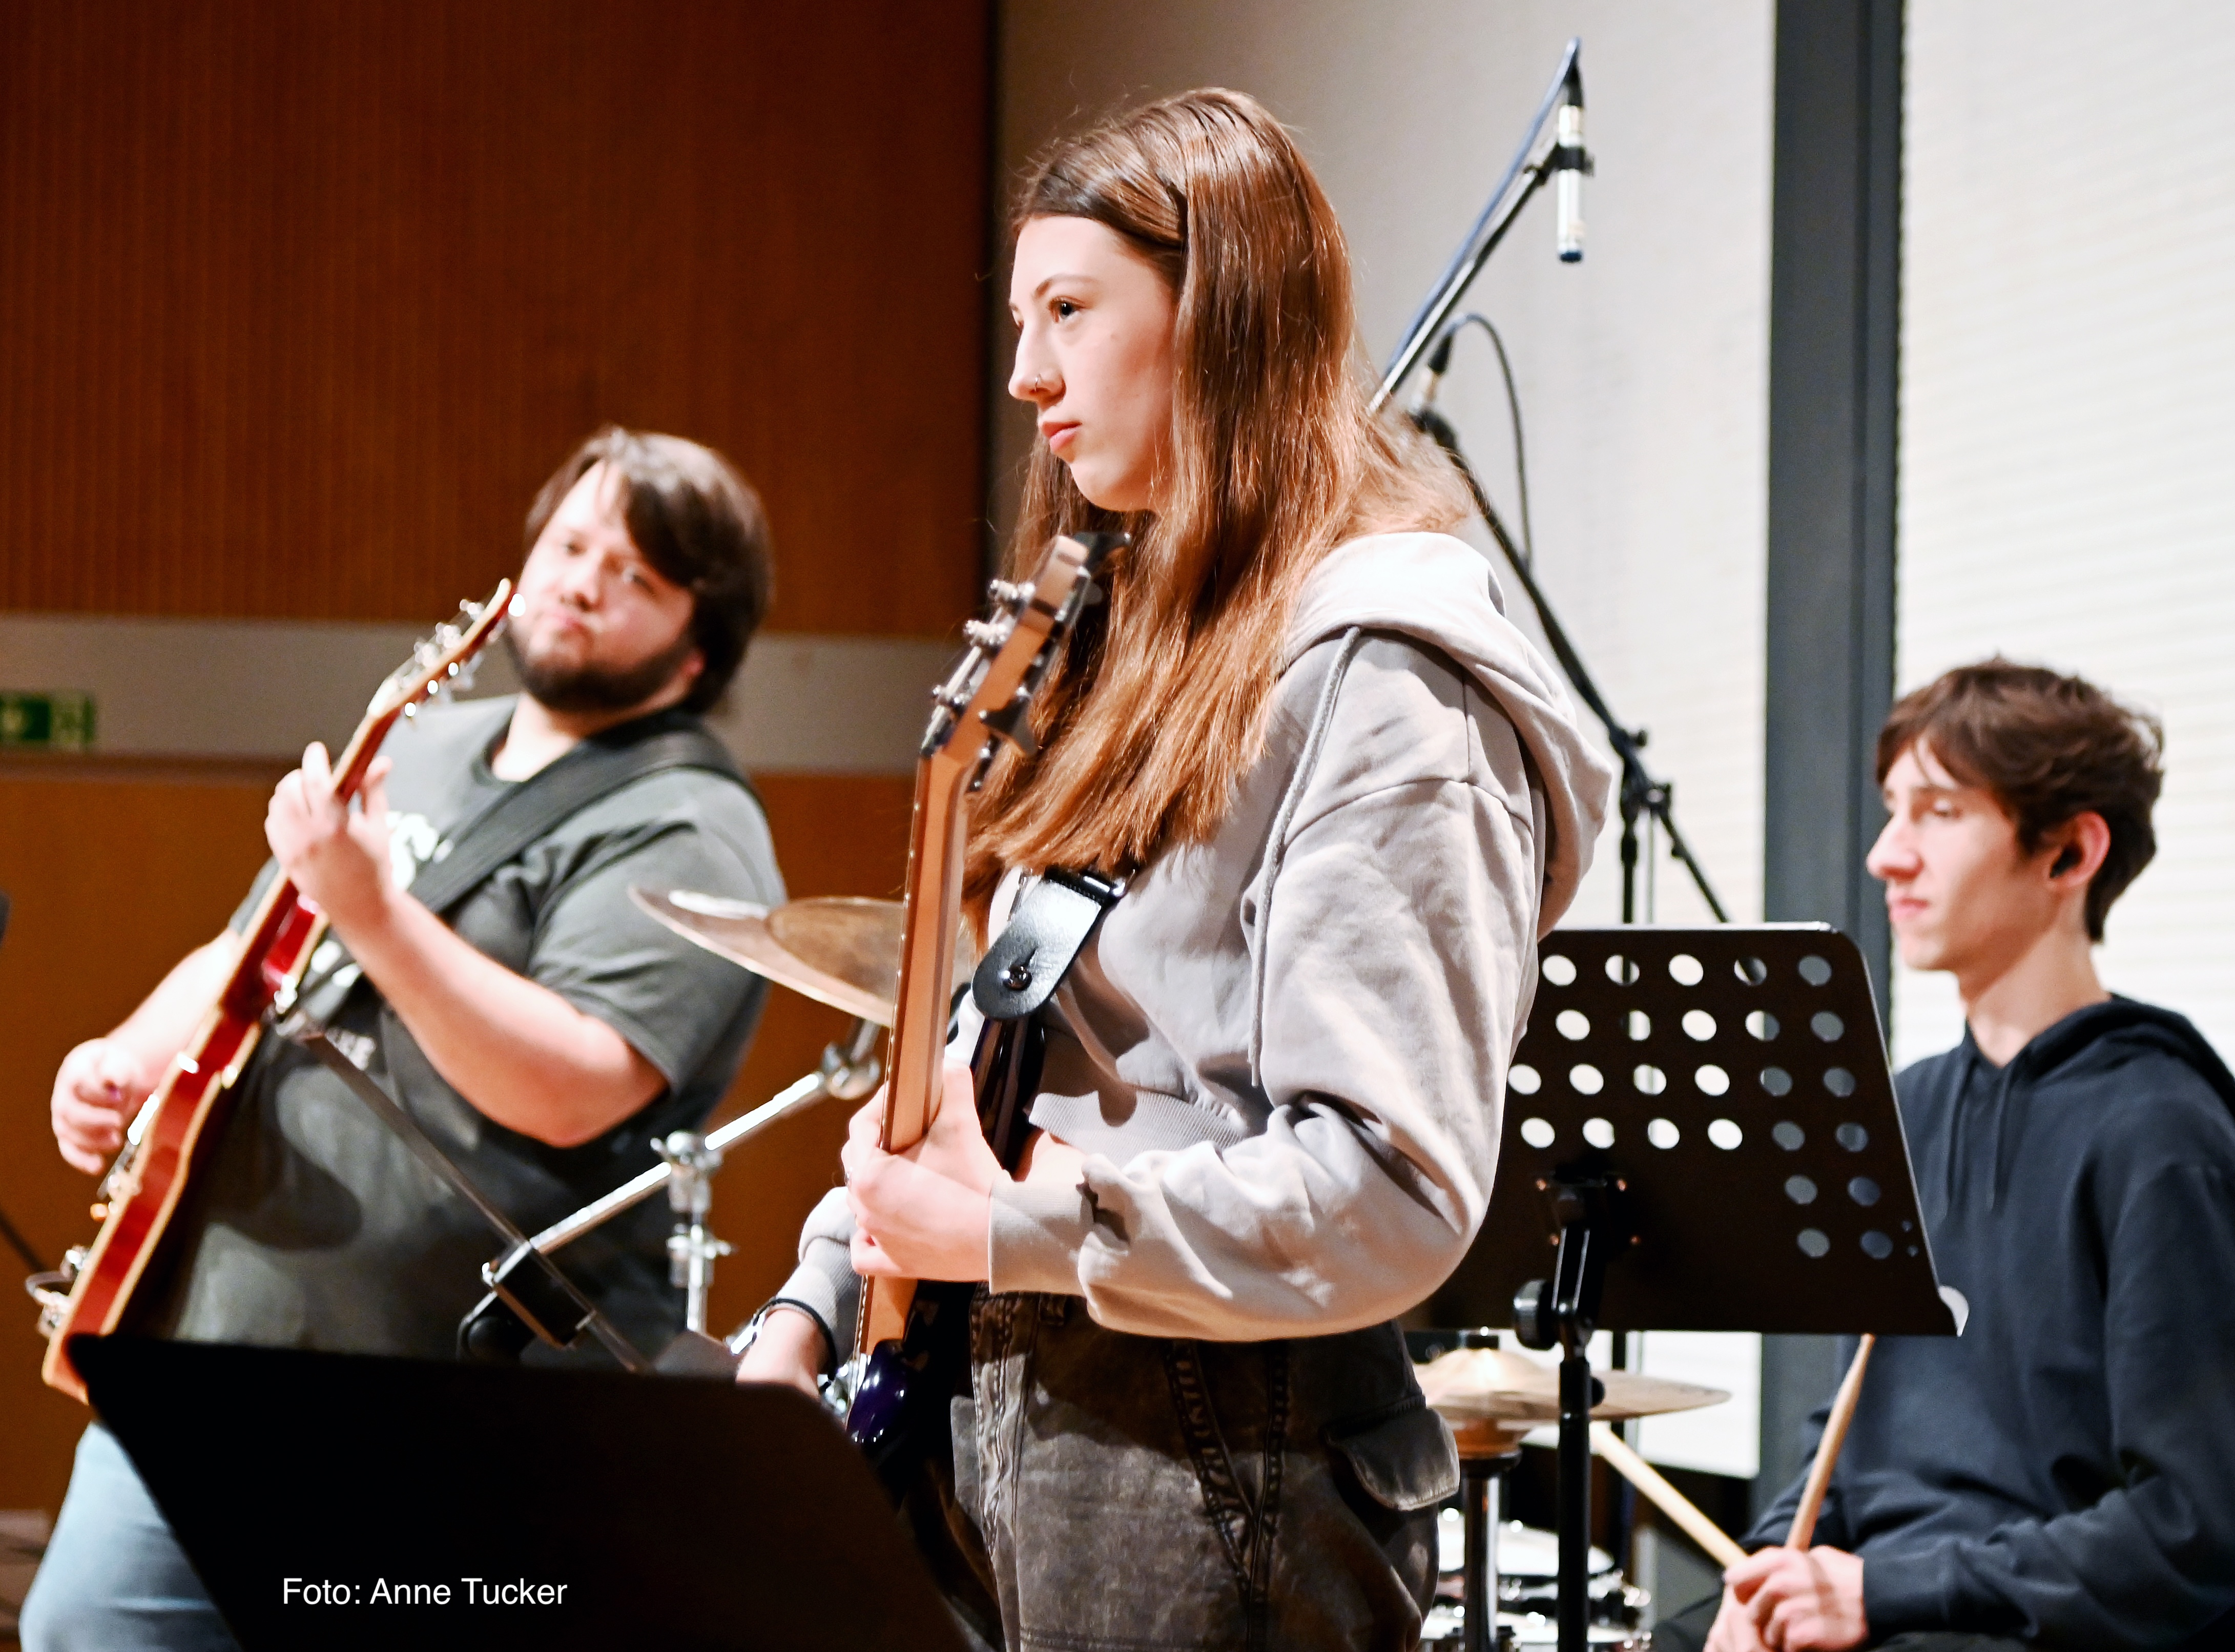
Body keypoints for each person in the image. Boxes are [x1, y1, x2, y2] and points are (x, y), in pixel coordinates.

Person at [737, 90, 1611, 1651]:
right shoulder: (1127, 640)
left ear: (1218, 313)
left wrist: (1022, 1235)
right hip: (1011, 1414)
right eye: (1024, 318)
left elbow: (1390, 1187)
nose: (1026, 376)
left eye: (1069, 311)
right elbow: (981, 1054)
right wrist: (811, 1298)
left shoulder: (1383, 675)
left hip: (1223, 1454)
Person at [24, 427, 786, 1652]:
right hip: (216, 1335)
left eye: (637, 574)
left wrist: (373, 907)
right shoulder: (425, 742)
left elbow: (575, 1086)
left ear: (701, 642)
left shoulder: (689, 825)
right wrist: (124, 1060)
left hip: (435, 1399)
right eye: (572, 542)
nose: (584, 579)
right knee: (85, 1630)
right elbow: (255, 950)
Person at [1678, 661, 2235, 1652]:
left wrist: (1888, 1592)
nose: (1886, 855)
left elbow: (2193, 1529)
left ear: (2068, 853)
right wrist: (1767, 1577)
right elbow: (1847, 1446)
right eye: (1890, 811)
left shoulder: (2165, 1141)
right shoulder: (1902, 1112)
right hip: (1911, 1610)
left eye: (1941, 812)